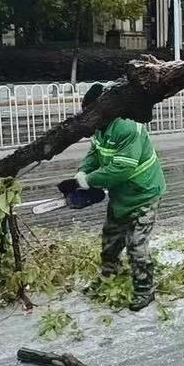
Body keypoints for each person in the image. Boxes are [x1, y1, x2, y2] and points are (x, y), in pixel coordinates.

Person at [57, 83, 166, 311]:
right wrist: (82, 172)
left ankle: (145, 290)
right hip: (120, 195)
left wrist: (86, 182)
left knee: (136, 245)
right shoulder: (100, 129)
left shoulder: (128, 127)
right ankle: (108, 277)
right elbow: (95, 154)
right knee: (110, 241)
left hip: (143, 194)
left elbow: (122, 169)